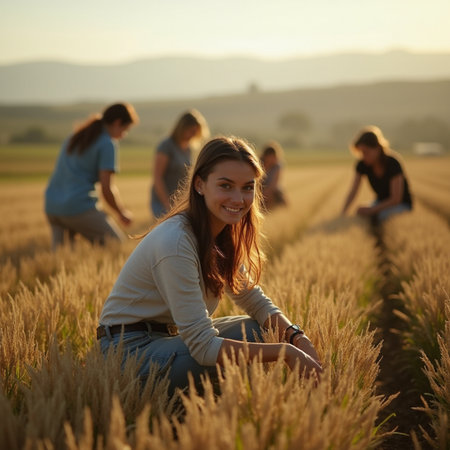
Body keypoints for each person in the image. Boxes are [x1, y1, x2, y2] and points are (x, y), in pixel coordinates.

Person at [98, 136, 322, 397]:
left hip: (165, 340)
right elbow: (204, 348)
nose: (238, 199)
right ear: (200, 185)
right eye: (226, 186)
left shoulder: (219, 234)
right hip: (129, 353)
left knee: (263, 331)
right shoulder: (177, 242)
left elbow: (255, 301)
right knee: (258, 347)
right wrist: (285, 352)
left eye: (247, 187)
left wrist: (297, 337)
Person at [45, 103, 139, 249]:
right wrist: (121, 213)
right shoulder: (107, 143)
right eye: (125, 130)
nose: (123, 135)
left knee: (61, 258)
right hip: (78, 207)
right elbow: (106, 189)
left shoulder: (75, 136)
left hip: (52, 206)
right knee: (116, 246)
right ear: (117, 123)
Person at [341, 126, 413, 223]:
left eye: (366, 152)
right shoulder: (362, 164)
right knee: (360, 212)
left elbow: (396, 199)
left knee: (382, 216)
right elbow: (353, 190)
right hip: (380, 202)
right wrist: (343, 213)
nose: (363, 156)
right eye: (361, 152)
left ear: (378, 148)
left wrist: (372, 210)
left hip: (402, 204)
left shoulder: (393, 163)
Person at [150, 109, 209, 218]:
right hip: (163, 202)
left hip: (179, 202)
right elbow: (157, 178)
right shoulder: (166, 146)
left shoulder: (189, 148)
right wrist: (167, 204)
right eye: (191, 131)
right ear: (182, 128)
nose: (193, 135)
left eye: (195, 132)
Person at [260, 141, 287, 211]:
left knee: (280, 198)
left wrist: (266, 193)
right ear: (265, 156)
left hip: (272, 189)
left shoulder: (278, 166)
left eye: (273, 157)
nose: (271, 160)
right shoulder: (258, 164)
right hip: (259, 188)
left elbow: (274, 184)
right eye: (269, 157)